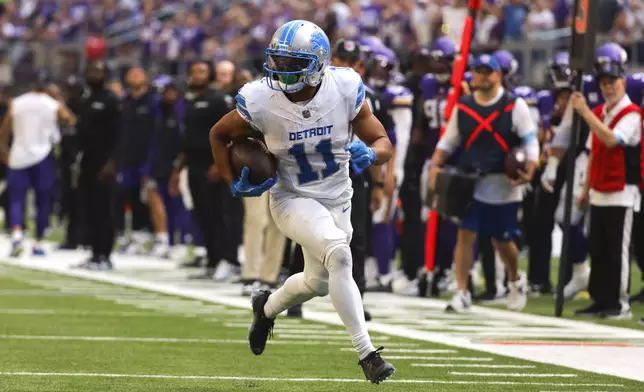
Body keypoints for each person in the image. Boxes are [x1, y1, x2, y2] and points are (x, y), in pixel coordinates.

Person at [209, 21, 396, 384]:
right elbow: (219, 133)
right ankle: (367, 354)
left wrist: (371, 154)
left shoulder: (344, 87)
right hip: (292, 196)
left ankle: (266, 307)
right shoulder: (261, 98)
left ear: (318, 64)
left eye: (291, 62)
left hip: (338, 197)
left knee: (318, 283)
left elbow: (384, 141)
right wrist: (232, 181)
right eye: (277, 60)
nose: (280, 69)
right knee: (340, 254)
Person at [428, 54, 537, 313]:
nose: (483, 76)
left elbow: (530, 141)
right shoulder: (463, 106)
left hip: (504, 181)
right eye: (478, 71)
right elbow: (449, 141)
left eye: (488, 72)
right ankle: (462, 290)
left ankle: (515, 278)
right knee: (465, 234)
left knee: (502, 240)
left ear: (499, 75)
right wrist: (435, 165)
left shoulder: (514, 106)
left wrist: (530, 170)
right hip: (470, 181)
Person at [572, 42, 642, 319]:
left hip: (622, 188)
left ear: (623, 82)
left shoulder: (632, 114)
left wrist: (585, 112)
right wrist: (585, 188)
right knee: (598, 249)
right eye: (603, 83)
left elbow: (612, 140)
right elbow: (592, 152)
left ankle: (619, 302)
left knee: (616, 249)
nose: (608, 88)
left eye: (612, 82)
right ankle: (600, 298)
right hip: (600, 188)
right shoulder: (601, 113)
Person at [169, 60, 234, 279]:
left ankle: (227, 259)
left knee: (217, 214)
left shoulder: (218, 100)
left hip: (212, 164)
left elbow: (229, 133)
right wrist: (179, 168)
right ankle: (212, 259)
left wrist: (220, 164)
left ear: (211, 75)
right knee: (202, 214)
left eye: (202, 71)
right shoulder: (189, 101)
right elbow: (187, 138)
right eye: (194, 71)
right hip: (193, 164)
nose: (197, 75)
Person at [0, 74, 76, 256]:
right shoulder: (52, 104)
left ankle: (17, 234)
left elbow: (4, 129)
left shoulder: (17, 102)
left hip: (19, 156)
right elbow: (71, 120)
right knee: (43, 201)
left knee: (17, 199)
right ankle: (38, 241)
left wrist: (3, 151)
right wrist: (58, 100)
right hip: (43, 157)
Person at [72, 60, 121, 270]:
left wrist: (112, 162)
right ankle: (94, 253)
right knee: (90, 209)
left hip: (105, 162)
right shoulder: (86, 100)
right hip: (88, 161)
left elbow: (119, 134)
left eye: (98, 71)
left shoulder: (111, 100)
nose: (94, 75)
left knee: (104, 210)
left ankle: (105, 255)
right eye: (91, 70)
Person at [115, 67, 155, 255]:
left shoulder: (153, 101)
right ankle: (131, 235)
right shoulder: (125, 102)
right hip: (127, 158)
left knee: (147, 198)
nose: (135, 77)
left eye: (139, 73)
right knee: (127, 195)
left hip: (147, 156)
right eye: (131, 74)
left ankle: (150, 234)